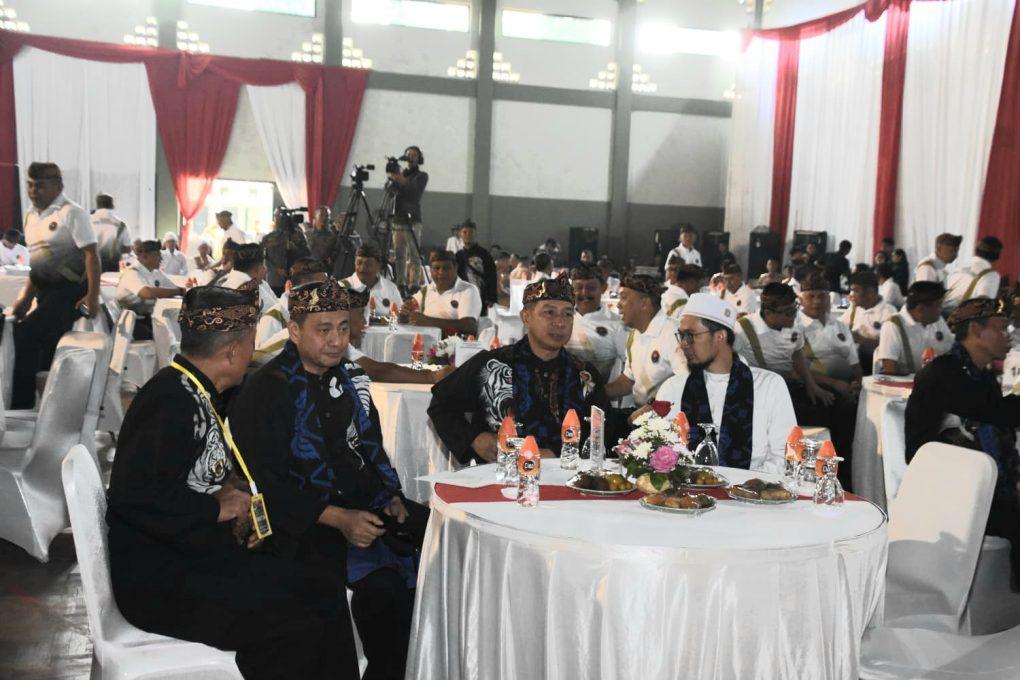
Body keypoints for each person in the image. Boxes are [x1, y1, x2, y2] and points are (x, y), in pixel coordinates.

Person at [107, 285, 359, 680]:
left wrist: (232, 501)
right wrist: (215, 508)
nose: (251, 355)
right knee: (297, 622)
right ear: (231, 352)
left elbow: (182, 478)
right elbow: (132, 499)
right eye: (250, 346)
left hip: (192, 557)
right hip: (162, 581)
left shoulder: (196, 391)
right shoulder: (169, 401)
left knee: (323, 588)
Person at [231, 278, 423, 680]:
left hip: (363, 507)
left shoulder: (350, 378)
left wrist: (390, 495)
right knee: (384, 592)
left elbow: (369, 450)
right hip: (303, 524)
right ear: (294, 330)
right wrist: (338, 518)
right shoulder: (266, 390)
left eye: (343, 328)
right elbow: (268, 484)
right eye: (323, 329)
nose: (337, 341)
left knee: (440, 540)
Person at [429, 277, 610, 463]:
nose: (560, 322)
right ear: (526, 317)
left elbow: (603, 429)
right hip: (499, 474)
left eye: (568, 314)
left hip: (566, 476)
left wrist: (554, 453)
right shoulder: (492, 365)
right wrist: (474, 439)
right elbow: (441, 404)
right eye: (549, 312)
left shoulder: (585, 375)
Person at [905, 297, 1020, 581]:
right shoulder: (944, 374)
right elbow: (996, 412)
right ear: (976, 330)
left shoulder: (980, 375)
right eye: (1001, 328)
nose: (1008, 336)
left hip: (981, 480)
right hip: (951, 488)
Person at [654, 293, 796, 473]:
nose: (683, 344)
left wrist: (740, 482)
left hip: (755, 487)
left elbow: (785, 457)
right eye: (681, 336)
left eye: (690, 335)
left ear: (720, 336)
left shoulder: (769, 385)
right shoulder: (673, 388)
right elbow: (661, 453)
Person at [12, 162, 100, 409]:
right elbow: (37, 263)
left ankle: (20, 404)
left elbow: (92, 255)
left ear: (58, 186)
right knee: (47, 348)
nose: (33, 191)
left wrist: (92, 296)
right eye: (30, 185)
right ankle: (47, 408)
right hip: (45, 293)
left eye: (40, 186)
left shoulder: (72, 212)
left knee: (25, 334)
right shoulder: (30, 216)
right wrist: (26, 297)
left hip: (70, 293)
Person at [796, 273, 861, 484]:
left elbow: (854, 362)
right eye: (811, 296)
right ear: (801, 298)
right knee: (843, 414)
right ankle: (832, 476)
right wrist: (834, 384)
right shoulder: (796, 327)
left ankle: (852, 475)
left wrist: (858, 382)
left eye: (822, 296)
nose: (817, 301)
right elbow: (795, 369)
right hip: (815, 389)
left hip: (846, 389)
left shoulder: (840, 325)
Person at [605, 275, 685, 410]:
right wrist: (597, 392)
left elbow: (686, 383)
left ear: (644, 304)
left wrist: (649, 409)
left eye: (624, 298)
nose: (618, 304)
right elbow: (629, 380)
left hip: (667, 417)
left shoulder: (672, 333)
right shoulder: (633, 336)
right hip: (642, 414)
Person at [254, 258, 326, 362]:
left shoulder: (326, 316)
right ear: (290, 287)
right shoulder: (272, 319)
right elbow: (259, 364)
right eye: (312, 291)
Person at [874, 281, 954, 375]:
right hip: (907, 383)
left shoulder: (938, 320)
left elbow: (949, 350)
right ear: (920, 309)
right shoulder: (893, 326)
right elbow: (889, 369)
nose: (941, 309)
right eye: (938, 305)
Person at [115, 240, 185, 340]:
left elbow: (173, 288)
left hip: (146, 318)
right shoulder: (132, 273)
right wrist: (179, 292)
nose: (161, 259)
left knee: (175, 321)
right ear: (145, 256)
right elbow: (147, 293)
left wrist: (185, 292)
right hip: (129, 323)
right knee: (165, 334)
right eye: (157, 255)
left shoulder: (155, 273)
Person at [403, 250, 481, 337]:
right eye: (436, 268)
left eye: (446, 268)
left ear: (455, 268)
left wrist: (428, 321)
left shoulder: (468, 290)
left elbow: (469, 326)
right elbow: (408, 316)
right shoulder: (425, 291)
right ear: (430, 270)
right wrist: (405, 313)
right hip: (424, 342)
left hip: (454, 344)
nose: (441, 272)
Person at [565, 264, 623, 380]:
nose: (584, 293)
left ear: (603, 288)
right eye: (578, 288)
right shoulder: (561, 319)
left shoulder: (618, 325)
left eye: (591, 288)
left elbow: (630, 369)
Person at [840, 270, 896, 374]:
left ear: (870, 293)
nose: (852, 295)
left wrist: (860, 339)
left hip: (872, 362)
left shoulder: (889, 313)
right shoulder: (854, 308)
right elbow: (840, 326)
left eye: (856, 291)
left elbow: (891, 346)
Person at [388, 145, 428, 289]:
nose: (411, 157)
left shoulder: (421, 176)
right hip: (398, 218)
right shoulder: (401, 174)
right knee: (399, 255)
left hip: (413, 219)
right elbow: (390, 191)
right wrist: (393, 178)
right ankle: (401, 283)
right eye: (409, 154)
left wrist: (400, 179)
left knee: (414, 255)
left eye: (414, 155)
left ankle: (414, 285)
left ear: (419, 158)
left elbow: (415, 192)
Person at [344, 241, 403, 320]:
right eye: (359, 263)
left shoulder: (391, 289)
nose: (362, 268)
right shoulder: (342, 288)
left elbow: (400, 317)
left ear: (378, 266)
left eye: (368, 264)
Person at [944, 236, 1003, 314]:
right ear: (997, 257)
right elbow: (983, 302)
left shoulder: (960, 266)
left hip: (938, 314)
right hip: (956, 317)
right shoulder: (991, 275)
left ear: (976, 250)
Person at [216, 242, 278, 311]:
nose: (266, 270)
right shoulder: (253, 290)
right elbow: (278, 312)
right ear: (256, 268)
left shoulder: (226, 285)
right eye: (263, 265)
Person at [261, 210, 310, 297]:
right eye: (279, 217)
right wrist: (276, 269)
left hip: (296, 279)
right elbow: (263, 257)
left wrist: (296, 246)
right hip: (275, 280)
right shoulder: (269, 238)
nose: (283, 220)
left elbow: (307, 254)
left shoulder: (298, 235)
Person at [454, 219, 497, 312]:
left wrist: (491, 297)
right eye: (465, 232)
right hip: (462, 296)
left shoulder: (484, 254)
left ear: (475, 234)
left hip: (481, 296)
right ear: (460, 234)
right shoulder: (458, 256)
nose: (468, 235)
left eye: (471, 232)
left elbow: (492, 275)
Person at [91, 193, 132, 272]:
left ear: (97, 205)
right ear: (112, 205)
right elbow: (128, 249)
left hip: (89, 267)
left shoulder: (87, 222)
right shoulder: (121, 225)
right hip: (112, 268)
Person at [305, 206, 340, 274]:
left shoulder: (334, 237)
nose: (324, 218)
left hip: (325, 273)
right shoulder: (307, 235)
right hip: (307, 272)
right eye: (321, 215)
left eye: (327, 216)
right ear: (315, 217)